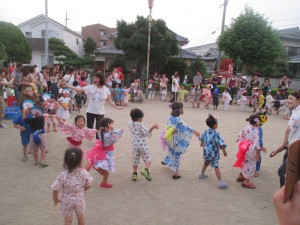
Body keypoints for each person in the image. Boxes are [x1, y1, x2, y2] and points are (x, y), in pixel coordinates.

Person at [51, 147, 93, 225]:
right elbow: (88, 184)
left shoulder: (63, 175)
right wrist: (85, 189)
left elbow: (55, 188)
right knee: (80, 217)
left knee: (68, 220)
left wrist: (55, 198)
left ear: (66, 161)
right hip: (79, 199)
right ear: (80, 160)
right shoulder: (84, 173)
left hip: (66, 200)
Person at [161, 102, 200, 179]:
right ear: (179, 110)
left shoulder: (170, 117)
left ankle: (166, 161)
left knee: (171, 151)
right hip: (175, 140)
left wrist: (176, 131)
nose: (183, 110)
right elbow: (187, 127)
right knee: (177, 155)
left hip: (169, 138)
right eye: (182, 108)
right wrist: (195, 131)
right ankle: (176, 173)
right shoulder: (179, 120)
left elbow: (172, 128)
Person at [270, 92, 300, 187]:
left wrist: (281, 147)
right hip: (290, 145)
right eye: (288, 98)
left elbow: (287, 130)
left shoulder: (298, 113)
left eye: (291, 98)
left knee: (283, 172)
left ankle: (285, 196)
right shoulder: (295, 111)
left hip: (295, 147)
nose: (288, 100)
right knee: (293, 173)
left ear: (299, 100)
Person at [85, 118, 123, 188]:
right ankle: (104, 182)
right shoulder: (108, 135)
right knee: (107, 169)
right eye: (111, 125)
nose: (112, 126)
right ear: (107, 127)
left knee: (103, 168)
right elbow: (115, 138)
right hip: (107, 154)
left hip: (101, 152)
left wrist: (110, 130)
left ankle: (96, 168)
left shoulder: (101, 133)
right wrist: (113, 130)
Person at [128, 108, 159, 181]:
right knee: (149, 157)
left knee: (135, 159)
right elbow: (147, 133)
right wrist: (153, 127)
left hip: (134, 145)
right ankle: (146, 170)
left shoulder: (129, 123)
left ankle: (134, 173)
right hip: (142, 144)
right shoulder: (140, 125)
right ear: (140, 118)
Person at [198, 114, 228, 188]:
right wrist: (224, 150)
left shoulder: (205, 131)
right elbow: (220, 142)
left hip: (206, 151)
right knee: (216, 166)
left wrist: (202, 143)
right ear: (214, 125)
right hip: (213, 152)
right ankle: (220, 182)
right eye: (216, 124)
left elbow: (202, 138)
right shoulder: (216, 134)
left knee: (206, 162)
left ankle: (202, 174)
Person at [234, 114, 260, 189]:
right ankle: (246, 181)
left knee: (243, 161)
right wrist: (257, 153)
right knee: (251, 164)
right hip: (251, 149)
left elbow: (241, 134)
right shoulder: (256, 130)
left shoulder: (246, 127)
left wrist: (239, 139)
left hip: (244, 146)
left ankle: (241, 175)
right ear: (257, 122)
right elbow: (256, 142)